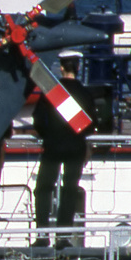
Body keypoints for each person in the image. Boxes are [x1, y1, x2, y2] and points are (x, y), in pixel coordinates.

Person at [32, 56, 97, 246]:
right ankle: (63, 237)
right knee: (69, 190)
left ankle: (42, 235)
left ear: (61, 68)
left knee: (43, 189)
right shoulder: (85, 93)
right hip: (75, 147)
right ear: (77, 68)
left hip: (52, 146)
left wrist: (48, 134)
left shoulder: (52, 92)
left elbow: (38, 119)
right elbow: (91, 123)